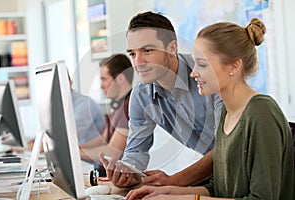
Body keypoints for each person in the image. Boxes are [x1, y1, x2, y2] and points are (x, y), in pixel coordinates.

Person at [126, 18, 294, 200]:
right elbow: (219, 188)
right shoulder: (227, 116)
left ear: (234, 66)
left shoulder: (261, 112)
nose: (192, 72)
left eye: (202, 64)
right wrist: (166, 192)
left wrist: (183, 195)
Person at [100, 11, 223, 188]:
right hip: (213, 173)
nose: (138, 62)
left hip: (244, 164)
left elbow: (225, 148)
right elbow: (136, 150)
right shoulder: (141, 96)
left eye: (147, 50)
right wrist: (128, 171)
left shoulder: (206, 74)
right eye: (132, 54)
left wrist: (174, 181)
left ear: (172, 48)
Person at [80, 54, 134, 175]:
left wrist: (76, 154)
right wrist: (79, 147)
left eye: (104, 79)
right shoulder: (117, 107)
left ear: (120, 78)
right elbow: (103, 139)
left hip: (115, 177)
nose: (101, 85)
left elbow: (113, 152)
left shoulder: (128, 107)